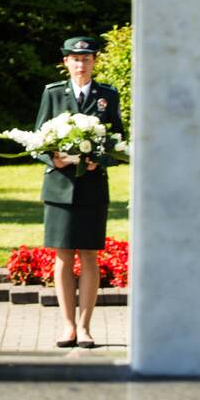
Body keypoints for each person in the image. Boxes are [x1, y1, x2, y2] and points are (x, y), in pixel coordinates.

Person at [34, 36, 124, 349]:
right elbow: (38, 139)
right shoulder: (53, 93)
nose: (81, 64)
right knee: (62, 256)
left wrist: (97, 160)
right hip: (59, 187)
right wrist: (53, 157)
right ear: (66, 62)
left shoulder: (107, 96)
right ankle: (67, 326)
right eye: (75, 59)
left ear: (94, 62)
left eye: (86, 59)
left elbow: (118, 144)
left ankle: (85, 327)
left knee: (88, 256)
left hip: (92, 187)